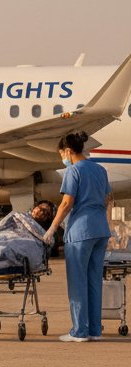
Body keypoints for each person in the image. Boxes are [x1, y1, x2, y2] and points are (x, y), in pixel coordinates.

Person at [41, 131, 112, 342]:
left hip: (81, 231)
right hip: (100, 229)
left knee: (77, 281)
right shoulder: (100, 170)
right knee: (94, 280)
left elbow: (66, 203)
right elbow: (107, 199)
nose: (62, 158)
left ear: (68, 151)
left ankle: (79, 331)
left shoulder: (73, 171)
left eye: (62, 153)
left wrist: (52, 228)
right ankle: (95, 330)